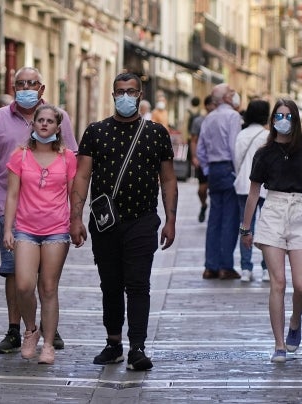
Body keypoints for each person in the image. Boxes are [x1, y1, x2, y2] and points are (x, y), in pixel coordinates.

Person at [69, 72, 177, 371]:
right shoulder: (96, 132)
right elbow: (82, 176)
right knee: (111, 284)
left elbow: (168, 179)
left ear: (140, 95)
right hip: (105, 222)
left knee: (139, 284)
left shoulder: (156, 133)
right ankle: (113, 343)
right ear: (113, 95)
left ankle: (137, 348)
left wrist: (171, 219)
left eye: (131, 91)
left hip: (142, 220)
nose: (125, 96)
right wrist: (75, 217)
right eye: (120, 91)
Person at [0, 67, 77, 354]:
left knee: (47, 277)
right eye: (20, 84)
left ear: (42, 88)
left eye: (32, 83)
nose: (26, 88)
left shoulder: (59, 116)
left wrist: (75, 216)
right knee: (15, 274)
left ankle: (47, 328)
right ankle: (15, 330)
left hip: (52, 214)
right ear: (13, 87)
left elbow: (72, 164)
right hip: (11, 208)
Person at [240, 99, 302, 362]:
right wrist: (245, 228)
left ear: (295, 121)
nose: (283, 120)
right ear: (272, 120)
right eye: (278, 116)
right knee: (278, 283)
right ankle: (279, 344)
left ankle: (295, 321)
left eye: (288, 116)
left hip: (300, 212)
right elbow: (253, 193)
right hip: (273, 211)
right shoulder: (264, 152)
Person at [2, 105, 76, 365]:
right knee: (23, 286)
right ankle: (31, 330)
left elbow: (74, 195)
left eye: (50, 121)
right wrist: (7, 228)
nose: (44, 124)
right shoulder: (19, 156)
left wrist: (75, 223)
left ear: (58, 127)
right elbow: (12, 195)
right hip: (25, 229)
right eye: (40, 120)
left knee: (48, 287)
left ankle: (48, 344)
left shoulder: (68, 158)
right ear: (33, 125)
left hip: (57, 229)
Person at [197, 83, 243, 280]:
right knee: (230, 218)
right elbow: (234, 147)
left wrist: (208, 169)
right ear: (226, 98)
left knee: (214, 219)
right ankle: (225, 266)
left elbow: (200, 149)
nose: (234, 95)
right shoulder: (233, 116)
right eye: (232, 92)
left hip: (214, 170)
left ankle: (210, 266)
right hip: (228, 167)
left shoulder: (209, 118)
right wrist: (237, 171)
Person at [233, 99, 271, 282]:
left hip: (243, 185)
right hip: (265, 187)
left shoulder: (241, 135)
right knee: (267, 227)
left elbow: (236, 161)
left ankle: (245, 268)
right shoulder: (268, 136)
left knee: (245, 226)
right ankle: (266, 268)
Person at [190, 95, 215, 223]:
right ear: (206, 106)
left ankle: (214, 214)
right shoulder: (198, 121)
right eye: (212, 104)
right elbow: (193, 140)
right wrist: (194, 157)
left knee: (215, 191)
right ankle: (204, 205)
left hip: (216, 161)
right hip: (203, 160)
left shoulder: (219, 120)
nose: (214, 106)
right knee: (202, 190)